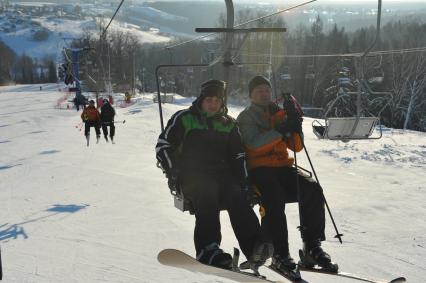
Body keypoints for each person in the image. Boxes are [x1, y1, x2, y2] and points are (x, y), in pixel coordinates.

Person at [155, 79, 273, 270]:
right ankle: (207, 249)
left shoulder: (229, 124)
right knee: (206, 189)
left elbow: (238, 156)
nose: (213, 104)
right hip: (192, 176)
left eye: (217, 101)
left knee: (236, 193)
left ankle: (254, 247)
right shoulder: (185, 118)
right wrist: (173, 171)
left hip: (222, 176)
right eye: (209, 100)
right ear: (201, 99)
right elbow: (163, 145)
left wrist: (244, 184)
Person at [236, 76, 337, 274]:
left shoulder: (279, 114)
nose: (264, 94)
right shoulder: (246, 117)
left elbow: (297, 148)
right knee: (273, 196)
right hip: (259, 169)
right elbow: (253, 144)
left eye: (267, 90)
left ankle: (312, 246)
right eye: (259, 91)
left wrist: (294, 124)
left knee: (312, 189)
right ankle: (280, 252)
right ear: (251, 96)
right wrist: (280, 130)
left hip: (282, 167)